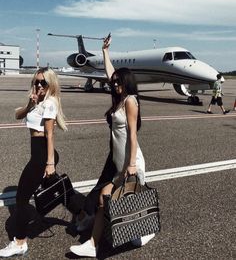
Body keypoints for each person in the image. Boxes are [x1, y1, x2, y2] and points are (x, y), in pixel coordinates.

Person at [70, 35, 154, 258]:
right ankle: (97, 242)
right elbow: (110, 74)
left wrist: (131, 165)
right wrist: (105, 52)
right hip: (117, 160)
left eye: (119, 82)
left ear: (127, 83)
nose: (115, 85)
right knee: (111, 201)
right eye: (114, 82)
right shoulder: (120, 98)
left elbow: (133, 136)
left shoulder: (130, 101)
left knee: (115, 200)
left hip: (130, 161)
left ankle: (96, 243)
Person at [0, 67, 67, 258]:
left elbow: (50, 134)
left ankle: (20, 242)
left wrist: (50, 163)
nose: (38, 85)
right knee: (54, 190)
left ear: (51, 83)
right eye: (36, 81)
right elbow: (18, 115)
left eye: (43, 82)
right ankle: (82, 213)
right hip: (38, 153)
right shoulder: (38, 101)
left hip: (41, 155)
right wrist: (30, 104)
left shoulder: (51, 103)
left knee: (21, 199)